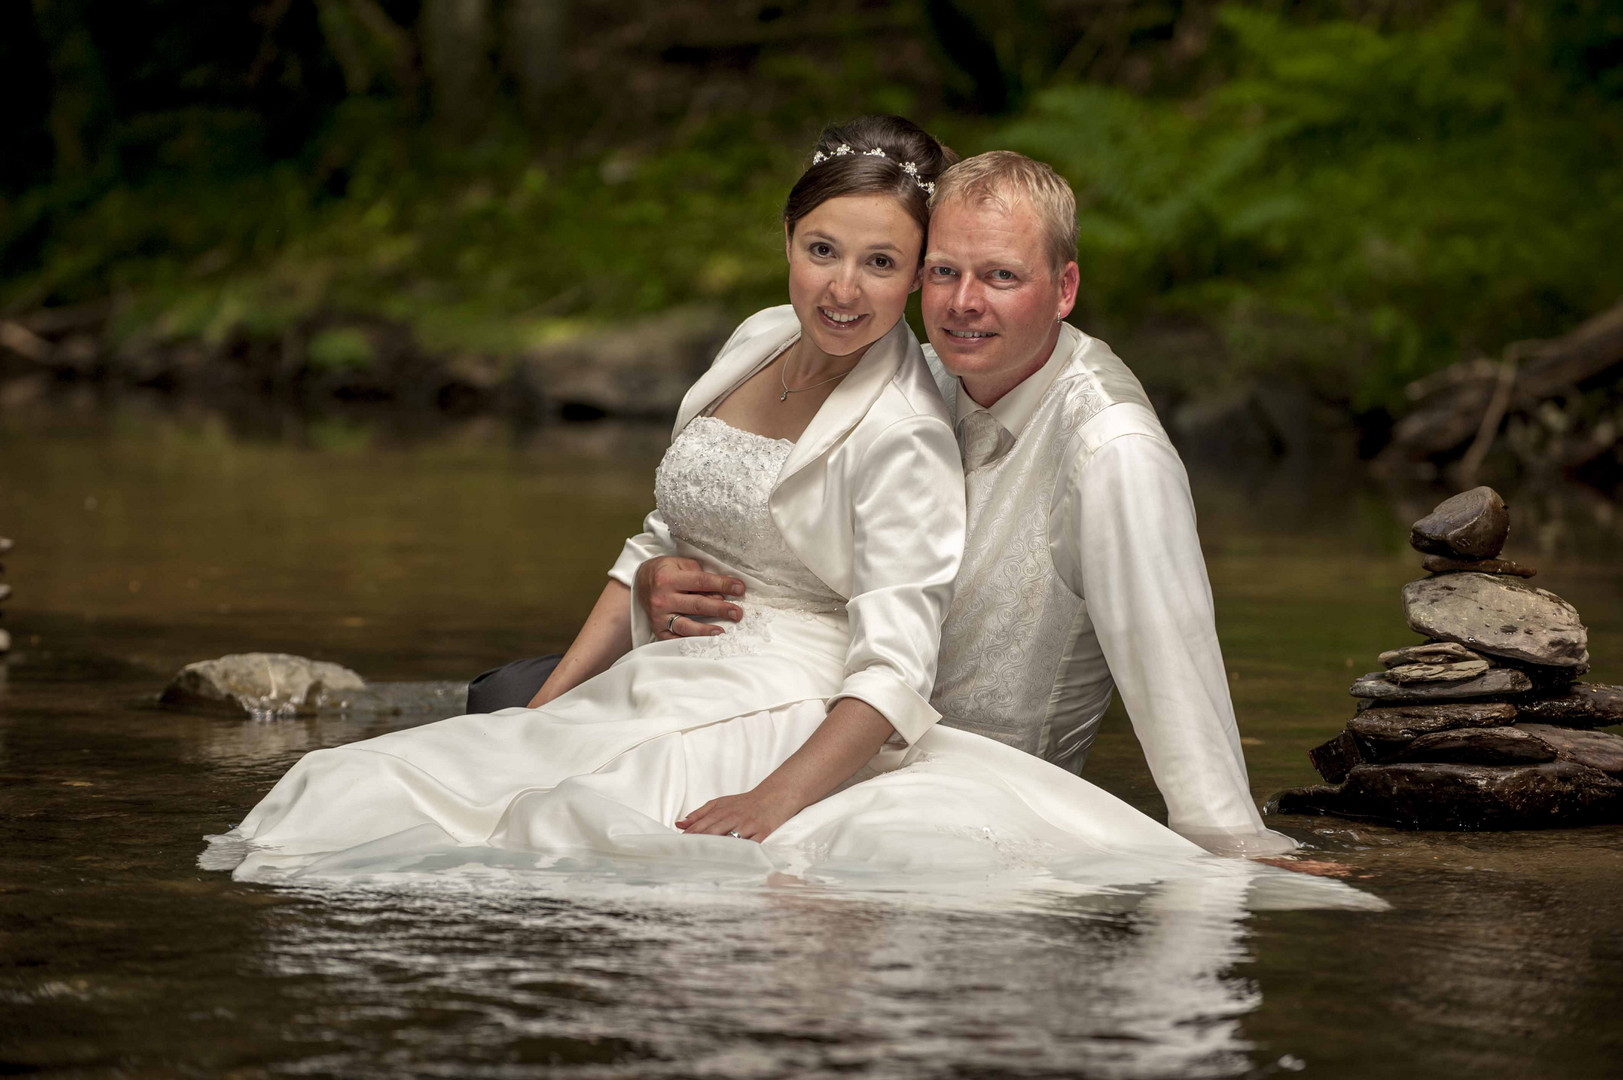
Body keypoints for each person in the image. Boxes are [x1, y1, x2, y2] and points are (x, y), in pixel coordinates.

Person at [519, 152, 1297, 857]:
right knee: (533, 745)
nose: (963, 304)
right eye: (943, 273)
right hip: (826, 725)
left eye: (999, 276)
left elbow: (1173, 667)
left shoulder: (1112, 452)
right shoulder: (920, 373)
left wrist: (1227, 846)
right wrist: (657, 583)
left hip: (970, 786)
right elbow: (801, 554)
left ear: (1063, 289)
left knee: (681, 849)